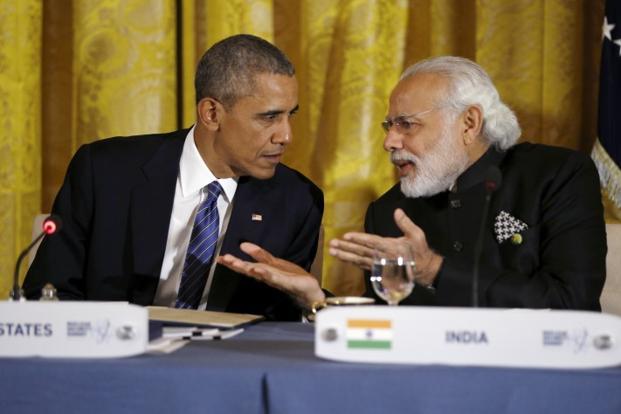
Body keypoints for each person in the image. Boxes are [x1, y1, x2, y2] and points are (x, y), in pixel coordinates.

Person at [218, 56, 607, 311]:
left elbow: (570, 304)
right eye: (390, 126)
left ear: (469, 124)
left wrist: (435, 269)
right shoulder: (389, 211)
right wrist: (316, 298)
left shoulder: (558, 176)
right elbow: (385, 330)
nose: (389, 141)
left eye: (407, 124)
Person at [24, 34, 324, 321]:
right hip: (109, 358)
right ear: (211, 114)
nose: (286, 135)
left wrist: (312, 300)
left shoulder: (297, 201)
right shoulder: (104, 172)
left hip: (223, 366)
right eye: (269, 117)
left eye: (290, 115)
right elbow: (49, 294)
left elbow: (281, 325)